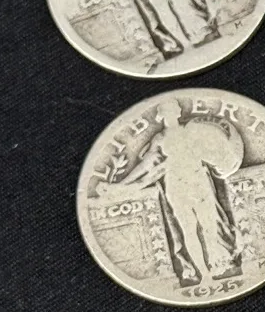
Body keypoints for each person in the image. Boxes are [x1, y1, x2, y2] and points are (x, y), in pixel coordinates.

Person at [98, 99, 242, 284]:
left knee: (209, 227)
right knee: (189, 230)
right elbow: (146, 166)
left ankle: (216, 266)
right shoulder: (159, 139)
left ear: (178, 112)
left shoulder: (192, 131)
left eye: (173, 110)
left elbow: (213, 152)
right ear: (161, 115)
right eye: (166, 111)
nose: (170, 114)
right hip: (176, 185)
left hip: (199, 181)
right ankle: (204, 275)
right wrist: (121, 184)